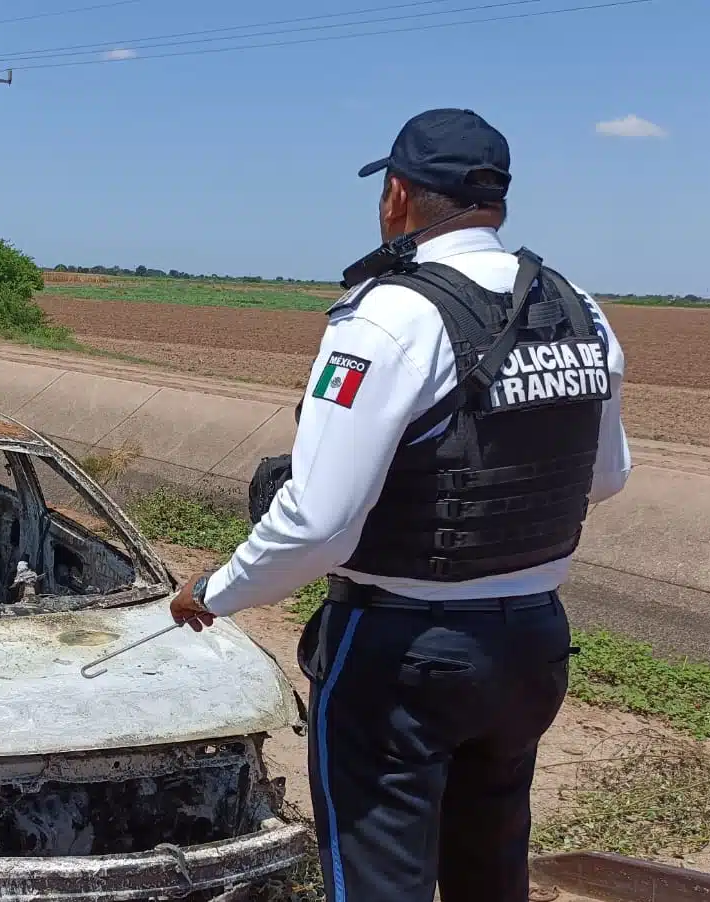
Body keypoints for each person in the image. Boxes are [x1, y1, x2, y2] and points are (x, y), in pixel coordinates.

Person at [168, 109, 631, 902]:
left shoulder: (388, 315)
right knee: (491, 871)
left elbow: (318, 521)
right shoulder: (578, 307)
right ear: (497, 200)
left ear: (397, 195)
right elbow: (605, 476)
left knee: (379, 878)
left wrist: (215, 591)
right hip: (533, 647)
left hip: (404, 651)